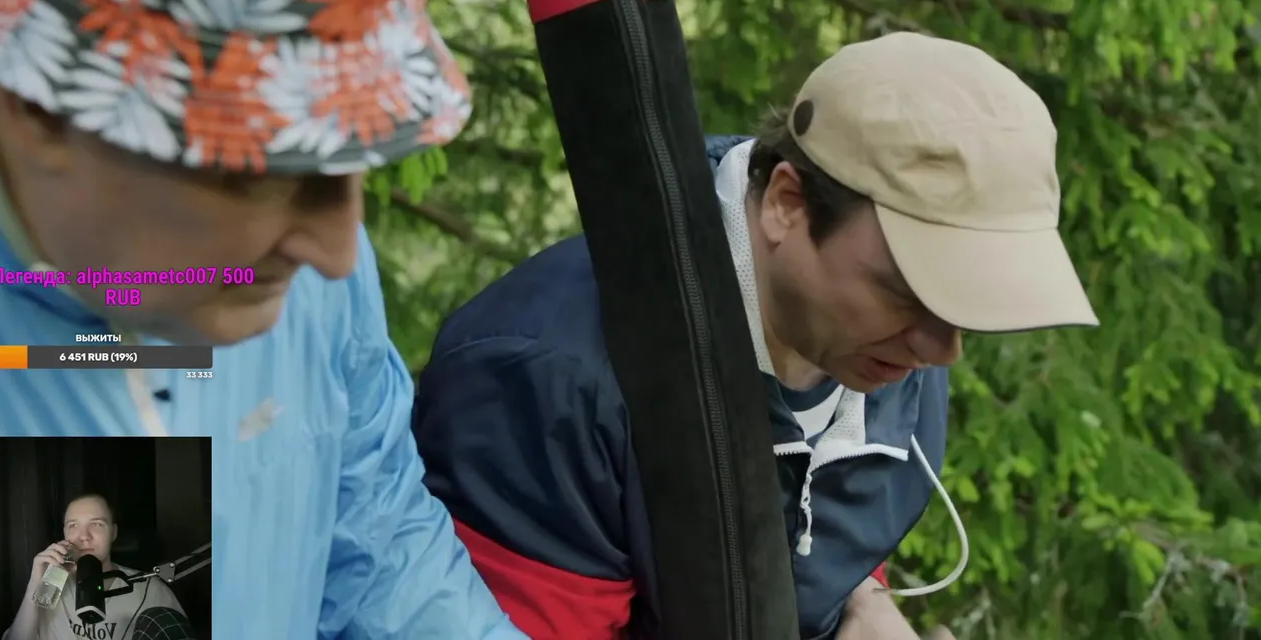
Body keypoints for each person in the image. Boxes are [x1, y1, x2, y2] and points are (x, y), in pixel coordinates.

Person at [413, 32, 1100, 639]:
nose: (941, 350)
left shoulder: (882, 352)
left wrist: (864, 603)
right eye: (912, 291)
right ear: (787, 204)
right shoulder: (549, 384)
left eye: (965, 302)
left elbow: (810, 536)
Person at [0, 0, 524, 638]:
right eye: (264, 168)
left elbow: (378, 550)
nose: (338, 254)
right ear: (39, 108)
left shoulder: (289, 275)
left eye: (354, 155)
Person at [5, 494, 185, 640]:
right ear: (64, 533)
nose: (84, 536)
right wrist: (35, 584)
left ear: (113, 532)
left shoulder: (150, 590)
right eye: (73, 525)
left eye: (96, 524)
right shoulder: (49, 587)